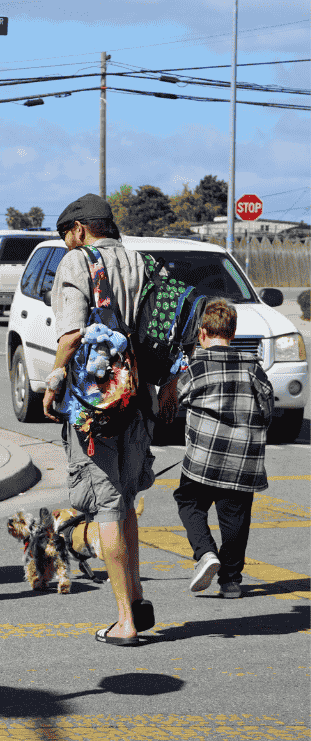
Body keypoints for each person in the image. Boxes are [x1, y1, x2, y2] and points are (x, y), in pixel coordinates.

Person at [42, 193, 178, 647]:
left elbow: (71, 334)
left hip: (98, 407)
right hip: (138, 398)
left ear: (80, 229)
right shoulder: (142, 263)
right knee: (124, 501)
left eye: (66, 236)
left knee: (104, 508)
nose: (66, 244)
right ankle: (137, 599)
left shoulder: (78, 262)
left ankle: (124, 620)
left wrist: (54, 379)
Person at [174, 299, 273, 599]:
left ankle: (205, 553)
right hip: (243, 460)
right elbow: (267, 408)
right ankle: (231, 581)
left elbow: (176, 399)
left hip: (204, 458)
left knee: (188, 501)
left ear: (202, 333)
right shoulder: (252, 367)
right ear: (233, 332)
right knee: (235, 518)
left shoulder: (197, 367)